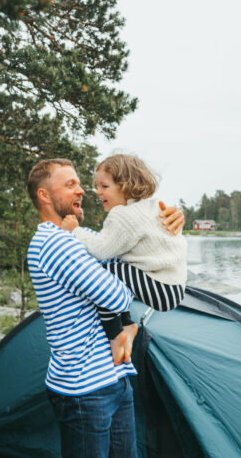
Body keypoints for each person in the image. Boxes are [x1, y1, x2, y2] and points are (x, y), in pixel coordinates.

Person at [27, 158, 185, 458]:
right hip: (84, 390)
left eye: (79, 183)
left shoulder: (75, 234)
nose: (82, 189)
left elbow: (128, 250)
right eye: (69, 183)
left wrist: (170, 223)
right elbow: (114, 295)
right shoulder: (52, 244)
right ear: (44, 195)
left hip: (114, 377)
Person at [61, 154, 187, 365]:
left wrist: (75, 231)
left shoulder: (123, 215)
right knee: (119, 267)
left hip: (161, 289)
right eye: (96, 186)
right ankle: (126, 323)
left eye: (104, 186)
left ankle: (116, 331)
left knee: (105, 270)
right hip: (174, 287)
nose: (98, 192)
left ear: (126, 186)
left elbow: (101, 250)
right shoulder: (154, 206)